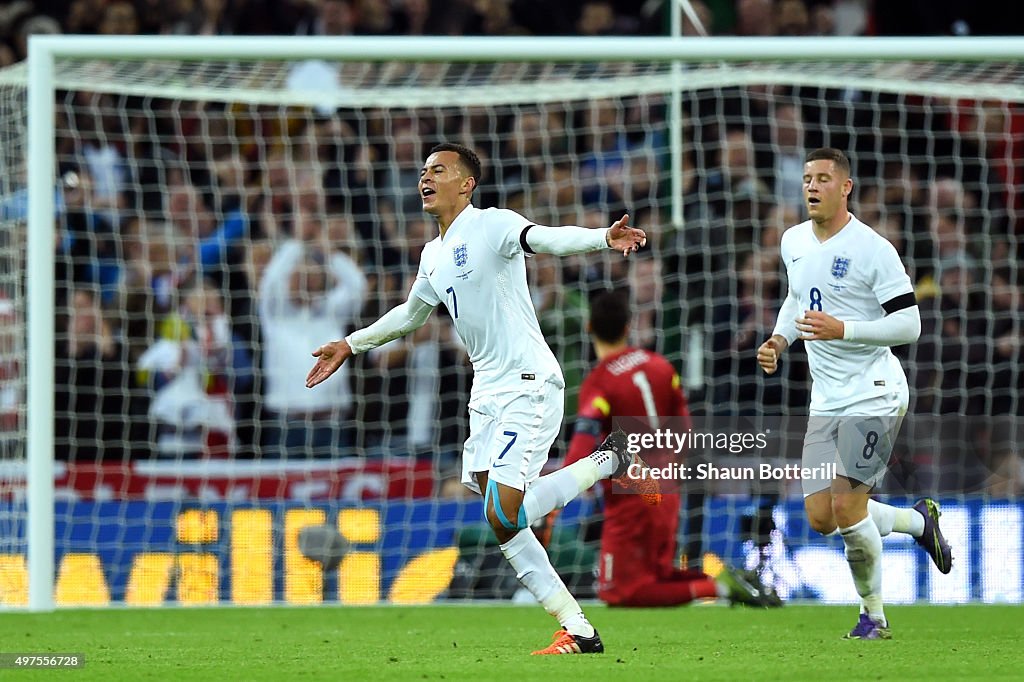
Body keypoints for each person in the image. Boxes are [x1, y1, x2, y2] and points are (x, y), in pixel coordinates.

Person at [306, 142, 656, 655]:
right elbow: (409, 316)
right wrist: (350, 344)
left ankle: (607, 461)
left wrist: (603, 238)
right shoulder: (433, 254)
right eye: (423, 170)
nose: (426, 177)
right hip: (485, 394)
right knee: (503, 520)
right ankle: (579, 629)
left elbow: (545, 239)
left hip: (528, 383)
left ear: (466, 183)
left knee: (503, 512)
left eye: (439, 170)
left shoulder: (491, 225)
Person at [757, 147, 953, 641]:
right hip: (826, 398)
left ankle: (874, 617)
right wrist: (781, 339)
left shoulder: (873, 248)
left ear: (845, 187)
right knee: (821, 517)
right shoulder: (793, 240)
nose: (812, 186)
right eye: (807, 178)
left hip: (875, 391)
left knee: (847, 508)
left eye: (823, 178)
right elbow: (796, 298)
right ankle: (916, 523)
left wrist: (843, 328)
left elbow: (910, 325)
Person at [560, 289, 779, 608]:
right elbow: (684, 426)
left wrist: (562, 485)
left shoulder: (599, 381)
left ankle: (720, 590)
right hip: (668, 490)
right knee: (656, 574)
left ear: (589, 327)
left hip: (631, 494)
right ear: (628, 327)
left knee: (619, 592)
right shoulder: (660, 366)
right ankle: (722, 583)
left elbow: (584, 438)